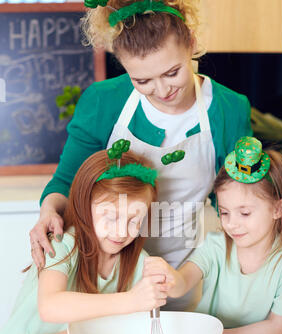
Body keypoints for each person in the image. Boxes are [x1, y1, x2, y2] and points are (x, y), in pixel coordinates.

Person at [29, 0, 252, 311]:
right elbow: (67, 181)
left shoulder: (229, 108)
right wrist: (49, 210)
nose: (162, 90)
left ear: (190, 43)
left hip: (178, 272)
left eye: (172, 72)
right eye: (142, 81)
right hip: (105, 275)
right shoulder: (103, 102)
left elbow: (235, 196)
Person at [0, 142, 168, 334]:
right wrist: (130, 301)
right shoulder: (63, 244)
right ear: (83, 206)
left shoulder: (141, 263)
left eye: (134, 221)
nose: (121, 231)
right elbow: (50, 306)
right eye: (110, 217)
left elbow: (107, 328)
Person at [143, 137, 282, 334]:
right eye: (224, 213)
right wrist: (169, 279)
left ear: (278, 209)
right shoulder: (215, 246)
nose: (231, 224)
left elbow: (275, 327)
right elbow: (183, 281)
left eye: (244, 213)